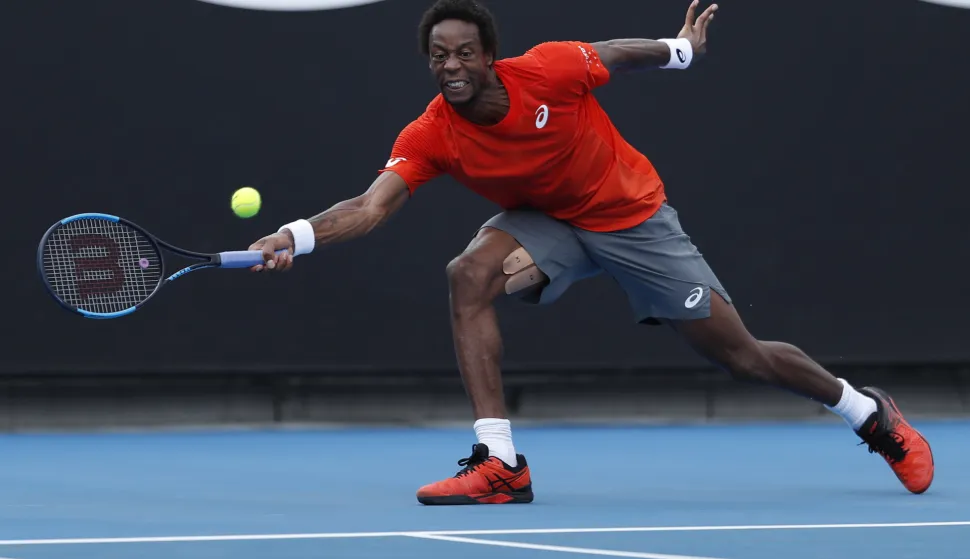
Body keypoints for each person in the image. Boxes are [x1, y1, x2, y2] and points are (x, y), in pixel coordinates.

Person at [247, 0, 935, 504]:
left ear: (488, 56)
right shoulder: (432, 132)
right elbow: (370, 207)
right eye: (438, 56)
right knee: (469, 275)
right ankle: (501, 462)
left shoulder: (547, 69)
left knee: (741, 355)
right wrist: (293, 237)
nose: (450, 66)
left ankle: (868, 413)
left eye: (462, 53)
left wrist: (682, 48)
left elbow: (618, 52)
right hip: (547, 220)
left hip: (631, 215)